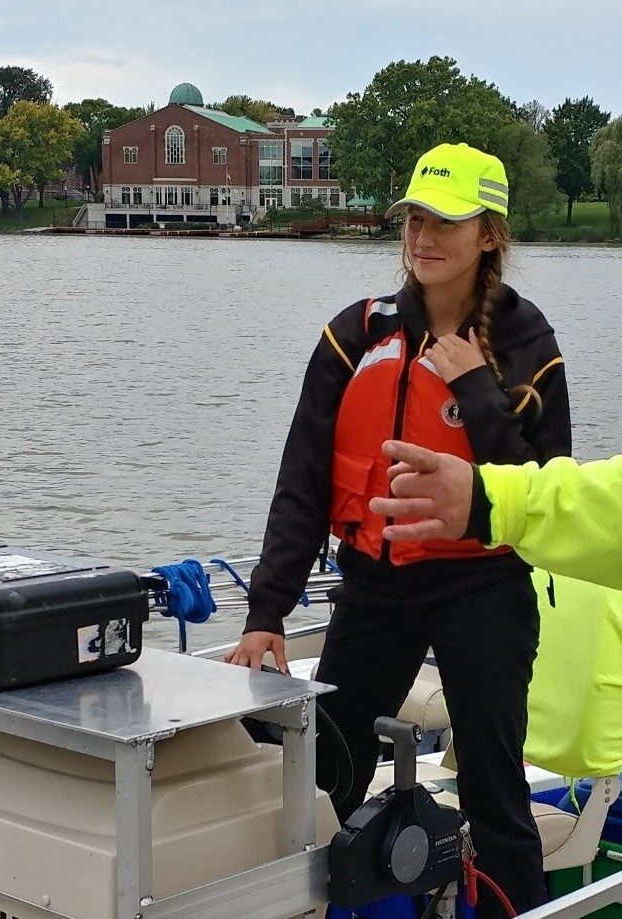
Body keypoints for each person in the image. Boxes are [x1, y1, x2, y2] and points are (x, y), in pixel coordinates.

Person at [224, 142, 571, 916]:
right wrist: (265, 611)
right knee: (328, 771)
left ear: (489, 234)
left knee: (493, 786)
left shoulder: (526, 343)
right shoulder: (354, 334)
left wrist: (475, 386)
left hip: (484, 586)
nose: (423, 237)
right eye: (414, 218)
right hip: (377, 585)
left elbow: (550, 489)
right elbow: (302, 481)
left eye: (446, 221)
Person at [372, 440, 622, 590]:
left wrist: (487, 498)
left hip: (491, 577)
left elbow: (548, 452)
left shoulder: (526, 355)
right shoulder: (362, 351)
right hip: (375, 576)